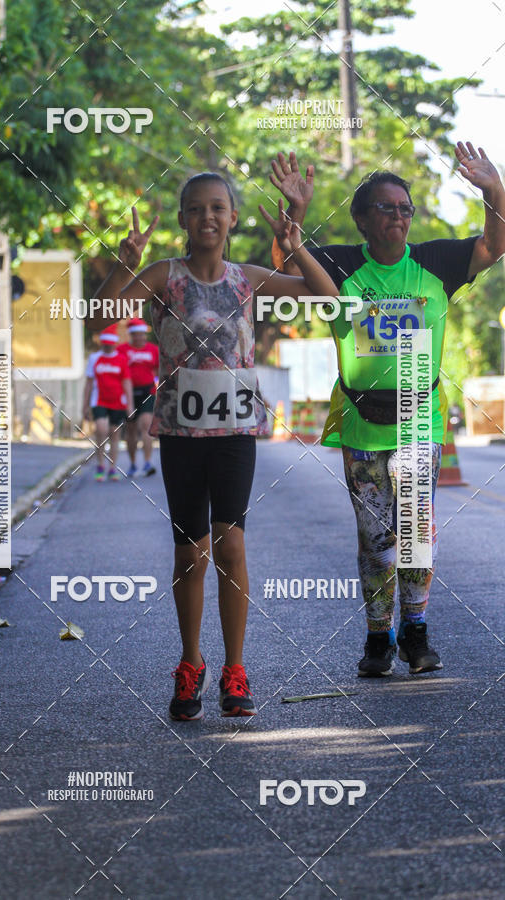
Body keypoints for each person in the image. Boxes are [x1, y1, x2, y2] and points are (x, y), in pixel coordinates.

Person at [95, 169, 339, 719]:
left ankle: (235, 668)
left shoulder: (247, 278)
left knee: (231, 547)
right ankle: (190, 664)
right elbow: (98, 319)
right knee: (190, 553)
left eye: (218, 208)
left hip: (234, 434)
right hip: (181, 435)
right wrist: (124, 264)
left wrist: (297, 245)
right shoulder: (164, 276)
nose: (208, 217)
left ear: (231, 218)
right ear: (183, 220)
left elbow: (327, 299)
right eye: (196, 208)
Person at [270, 141, 505, 676]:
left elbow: (495, 244)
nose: (398, 216)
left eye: (406, 208)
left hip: (419, 420)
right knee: (377, 540)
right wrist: (293, 223)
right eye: (386, 207)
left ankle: (416, 634)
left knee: (417, 532)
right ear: (361, 219)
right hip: (361, 422)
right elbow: (289, 269)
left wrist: (493, 190)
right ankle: (379, 636)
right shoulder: (340, 263)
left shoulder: (436, 262)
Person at [83, 326, 133, 482]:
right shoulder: (94, 358)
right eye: (105, 344)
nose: (107, 347)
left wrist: (130, 405)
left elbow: (126, 383)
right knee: (101, 429)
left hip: (118, 402)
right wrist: (84, 405)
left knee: (114, 433)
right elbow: (89, 384)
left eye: (110, 344)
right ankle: (100, 464)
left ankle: (112, 467)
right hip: (99, 400)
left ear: (114, 344)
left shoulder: (121, 359)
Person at [120, 318, 159, 477]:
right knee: (131, 430)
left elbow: (158, 370)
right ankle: (133, 463)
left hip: (147, 391)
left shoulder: (153, 350)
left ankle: (148, 462)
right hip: (128, 393)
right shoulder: (122, 350)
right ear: (131, 335)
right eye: (136, 335)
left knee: (146, 425)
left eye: (142, 334)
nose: (139, 338)